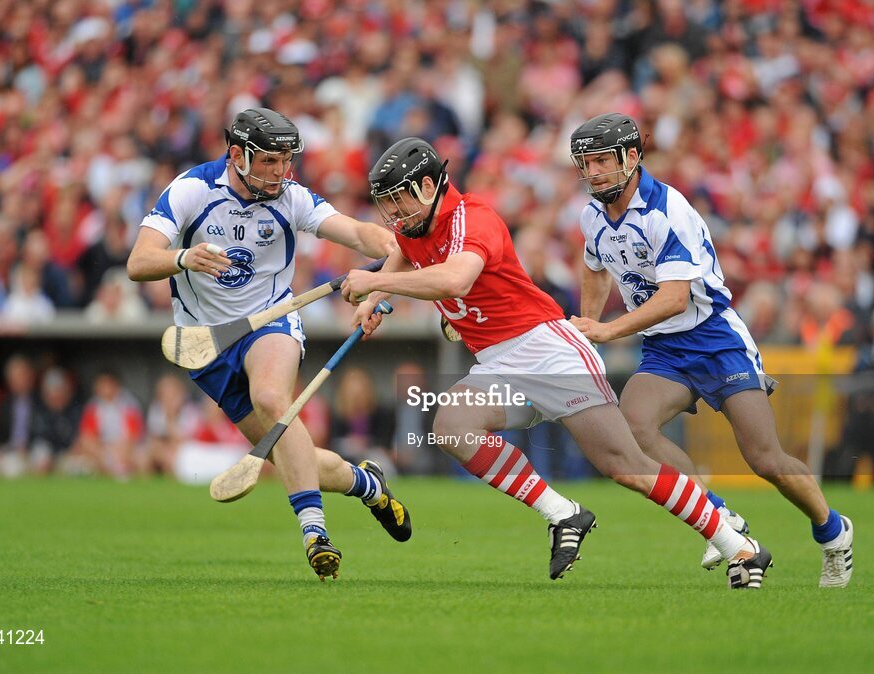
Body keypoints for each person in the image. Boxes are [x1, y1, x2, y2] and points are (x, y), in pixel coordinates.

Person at [342, 136, 771, 587]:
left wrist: (378, 282)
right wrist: (376, 296)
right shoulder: (417, 229)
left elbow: (456, 279)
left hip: (547, 350)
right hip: (497, 362)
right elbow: (402, 253)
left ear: (428, 186)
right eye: (386, 205)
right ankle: (563, 513)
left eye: (398, 201)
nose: (393, 215)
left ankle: (736, 543)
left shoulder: (475, 218)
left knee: (625, 465)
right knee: (451, 424)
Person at [566, 113, 854, 588]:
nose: (593, 172)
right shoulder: (592, 215)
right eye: (586, 163)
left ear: (632, 157)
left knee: (764, 458)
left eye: (602, 161)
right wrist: (587, 322)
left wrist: (610, 331)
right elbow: (596, 268)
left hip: (715, 338)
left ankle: (832, 529)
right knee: (635, 430)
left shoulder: (668, 210)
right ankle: (723, 520)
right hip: (664, 347)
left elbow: (674, 297)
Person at [126, 107, 411, 580]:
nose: (281, 172)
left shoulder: (292, 199)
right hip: (208, 345)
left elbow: (357, 232)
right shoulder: (192, 190)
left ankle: (314, 532)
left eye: (286, 161)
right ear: (237, 155)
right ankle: (366, 484)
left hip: (270, 325)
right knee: (287, 452)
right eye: (269, 162)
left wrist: (395, 249)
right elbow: (139, 262)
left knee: (272, 399)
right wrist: (182, 257)